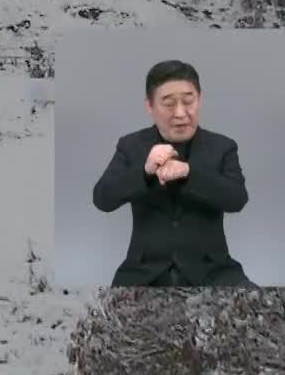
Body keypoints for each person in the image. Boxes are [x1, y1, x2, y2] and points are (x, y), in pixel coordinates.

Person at [91, 59, 254, 287]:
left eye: (189, 101)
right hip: (142, 273)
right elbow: (102, 199)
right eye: (168, 104)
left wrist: (189, 171)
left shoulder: (222, 146)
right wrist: (145, 171)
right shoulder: (131, 145)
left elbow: (237, 199)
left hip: (214, 271)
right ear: (149, 106)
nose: (180, 113)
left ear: (200, 100)